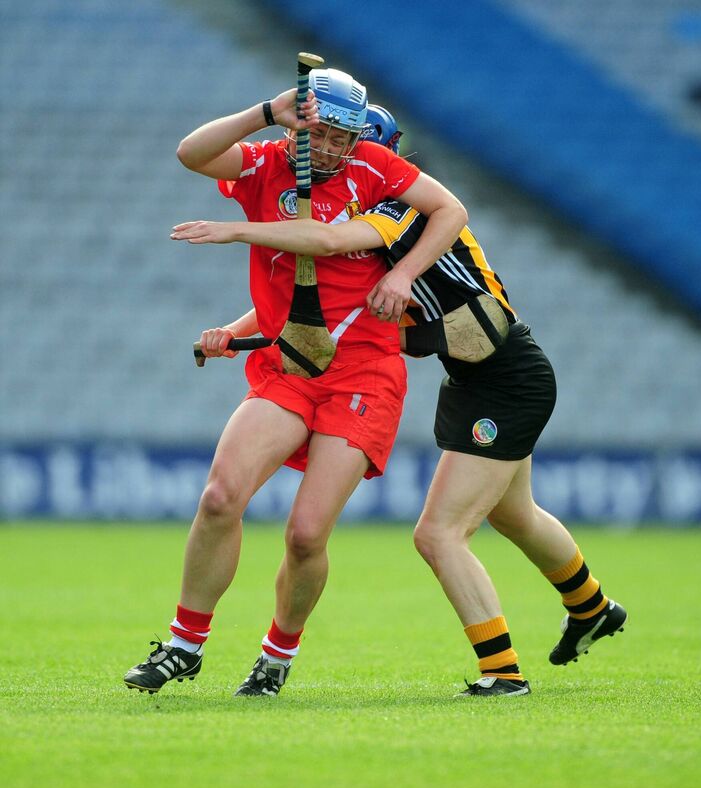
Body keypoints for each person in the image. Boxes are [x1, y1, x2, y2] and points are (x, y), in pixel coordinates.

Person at [170, 105, 628, 698]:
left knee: (437, 534)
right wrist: (240, 332)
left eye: (351, 152)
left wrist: (237, 232)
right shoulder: (378, 221)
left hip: (506, 380)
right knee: (515, 515)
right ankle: (592, 608)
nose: (336, 167)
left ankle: (503, 672)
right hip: (474, 380)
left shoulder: (395, 214)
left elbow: (334, 248)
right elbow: (322, 306)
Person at [123, 71, 468, 697]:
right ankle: (183, 643)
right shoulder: (268, 163)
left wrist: (402, 274)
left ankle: (277, 654)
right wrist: (263, 112)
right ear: (302, 124)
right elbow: (192, 154)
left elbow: (343, 241)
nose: (337, 149)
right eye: (327, 135)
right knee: (221, 496)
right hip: (293, 365)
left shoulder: (380, 180)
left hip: (364, 373)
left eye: (348, 137)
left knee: (307, 534)